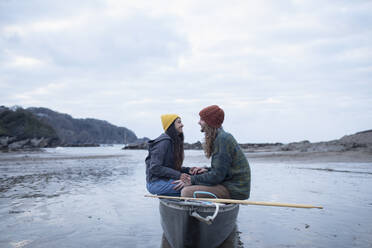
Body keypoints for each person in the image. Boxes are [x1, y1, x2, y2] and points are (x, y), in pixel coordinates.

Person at [178, 105, 251, 200]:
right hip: (229, 184)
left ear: (210, 122)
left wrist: (191, 180)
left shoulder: (222, 139)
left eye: (202, 119)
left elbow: (217, 176)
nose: (198, 122)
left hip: (235, 189)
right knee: (193, 182)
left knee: (186, 191)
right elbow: (221, 170)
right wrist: (207, 170)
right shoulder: (221, 137)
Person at [145, 114, 202, 196]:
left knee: (194, 180)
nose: (182, 125)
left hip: (166, 179)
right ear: (171, 125)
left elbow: (169, 167)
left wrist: (187, 170)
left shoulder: (173, 142)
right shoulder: (164, 142)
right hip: (155, 183)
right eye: (179, 122)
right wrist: (179, 175)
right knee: (191, 187)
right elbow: (155, 167)